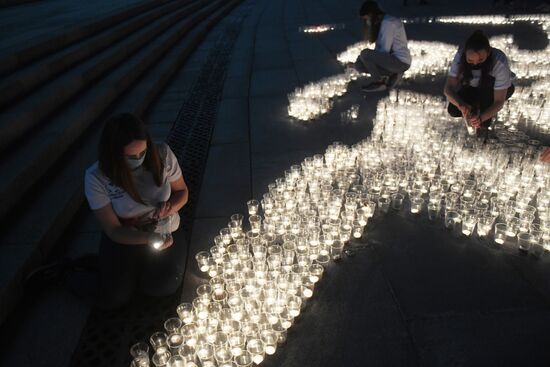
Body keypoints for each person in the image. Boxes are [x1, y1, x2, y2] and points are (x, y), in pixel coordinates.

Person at [84, 113, 188, 309]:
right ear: (113, 153)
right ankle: (75, 271)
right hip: (126, 235)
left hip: (164, 230)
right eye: (131, 157)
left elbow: (182, 192)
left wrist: (170, 207)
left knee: (161, 286)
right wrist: (148, 239)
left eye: (143, 153)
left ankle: (129, 271)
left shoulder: (162, 154)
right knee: (114, 298)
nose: (139, 159)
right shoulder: (97, 177)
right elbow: (113, 229)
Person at [444, 30, 515, 138]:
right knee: (453, 110)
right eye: (470, 60)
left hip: (494, 88)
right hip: (472, 86)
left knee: (484, 119)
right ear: (465, 54)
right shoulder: (460, 56)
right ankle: (475, 108)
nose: (476, 63)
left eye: (481, 59)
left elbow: (499, 102)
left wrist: (481, 118)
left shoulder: (499, 61)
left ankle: (484, 130)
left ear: (489, 52)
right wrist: (460, 104)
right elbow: (448, 89)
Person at [356, 1, 411, 92]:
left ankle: (379, 82)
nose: (367, 22)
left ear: (372, 14)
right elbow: (379, 50)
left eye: (367, 19)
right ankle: (392, 74)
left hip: (400, 62)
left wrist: (369, 58)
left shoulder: (388, 23)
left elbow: (384, 49)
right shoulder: (382, 22)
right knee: (358, 65)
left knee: (365, 54)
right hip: (390, 61)